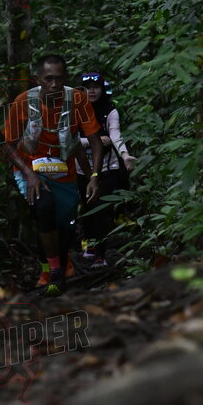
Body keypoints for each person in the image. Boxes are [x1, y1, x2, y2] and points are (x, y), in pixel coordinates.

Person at [4, 55, 104, 296]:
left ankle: (61, 265)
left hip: (64, 170)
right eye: (48, 79)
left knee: (65, 226)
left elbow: (94, 141)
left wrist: (94, 175)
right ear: (38, 79)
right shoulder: (23, 102)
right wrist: (29, 174)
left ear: (66, 78)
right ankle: (53, 272)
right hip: (30, 170)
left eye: (59, 78)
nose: (54, 84)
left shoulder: (77, 99)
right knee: (44, 209)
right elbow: (7, 144)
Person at [77, 71, 136, 267]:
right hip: (81, 169)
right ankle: (89, 243)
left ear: (102, 89)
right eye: (87, 88)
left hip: (107, 168)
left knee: (102, 209)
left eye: (96, 87)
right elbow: (69, 139)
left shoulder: (110, 110)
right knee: (87, 207)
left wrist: (125, 155)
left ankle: (100, 254)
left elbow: (115, 135)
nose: (91, 91)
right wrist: (93, 141)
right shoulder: (74, 110)